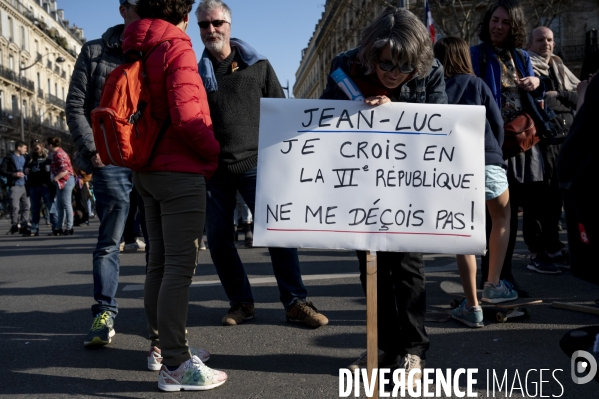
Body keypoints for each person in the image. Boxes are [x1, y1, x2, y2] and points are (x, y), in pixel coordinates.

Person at [320, 7, 447, 385]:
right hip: (361, 184)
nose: (394, 74)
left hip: (408, 184)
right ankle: (380, 345)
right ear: (371, 53)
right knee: (370, 266)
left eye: (404, 68)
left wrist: (399, 112)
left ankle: (412, 349)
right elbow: (324, 114)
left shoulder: (431, 70)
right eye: (386, 64)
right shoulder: (345, 66)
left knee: (407, 267)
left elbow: (441, 121)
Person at [196, 0, 328, 328]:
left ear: (229, 25)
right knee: (218, 239)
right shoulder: (194, 74)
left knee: (279, 233)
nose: (211, 30)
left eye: (216, 23)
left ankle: (295, 301)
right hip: (215, 170)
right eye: (203, 25)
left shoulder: (259, 65)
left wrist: (286, 162)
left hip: (258, 164)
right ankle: (241, 303)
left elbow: (280, 113)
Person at [125, 0, 226, 391]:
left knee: (158, 264)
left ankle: (163, 348)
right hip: (178, 170)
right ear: (183, 15)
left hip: (147, 167)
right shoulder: (176, 45)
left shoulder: (139, 44)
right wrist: (213, 150)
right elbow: (187, 115)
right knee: (179, 269)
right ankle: (177, 363)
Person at [470, 0, 559, 290]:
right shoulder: (476, 55)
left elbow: (538, 93)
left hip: (521, 144)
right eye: (494, 20)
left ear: (514, 26)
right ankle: (490, 280)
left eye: (505, 22)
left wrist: (536, 81)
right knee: (490, 217)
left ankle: (503, 278)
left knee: (510, 214)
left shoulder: (521, 56)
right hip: (490, 144)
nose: (497, 26)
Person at [66, 0, 138, 347]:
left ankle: (163, 326)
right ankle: (104, 312)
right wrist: (94, 150)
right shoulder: (95, 50)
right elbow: (76, 104)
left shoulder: (160, 48)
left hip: (151, 158)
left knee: (161, 241)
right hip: (109, 159)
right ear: (124, 9)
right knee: (110, 240)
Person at [434, 37, 517, 328]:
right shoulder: (477, 84)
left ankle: (473, 306)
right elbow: (496, 124)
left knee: (463, 234)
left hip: (454, 167)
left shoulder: (435, 89)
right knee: (502, 218)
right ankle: (493, 283)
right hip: (488, 159)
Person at [527, 26, 578, 265]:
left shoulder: (560, 67)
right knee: (540, 200)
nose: (545, 44)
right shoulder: (528, 68)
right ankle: (539, 251)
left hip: (565, 141)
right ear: (530, 44)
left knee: (557, 200)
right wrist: (560, 98)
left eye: (549, 40)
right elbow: (542, 102)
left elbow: (578, 97)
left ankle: (554, 246)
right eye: (540, 40)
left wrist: (562, 96)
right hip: (543, 142)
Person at [25, 139, 56, 235]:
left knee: (50, 207)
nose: (35, 147)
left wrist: (49, 183)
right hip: (34, 185)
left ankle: (55, 227)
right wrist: (25, 169)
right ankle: (34, 228)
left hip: (45, 185)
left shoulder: (47, 156)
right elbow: (26, 168)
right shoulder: (30, 157)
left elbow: (52, 169)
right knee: (35, 208)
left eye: (37, 145)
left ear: (41, 146)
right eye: (33, 145)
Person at [0, 141, 31, 235]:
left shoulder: (26, 157)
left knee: (26, 205)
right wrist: (14, 174)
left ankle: (24, 224)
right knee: (15, 206)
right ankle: (14, 225)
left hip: (25, 184)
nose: (26, 150)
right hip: (15, 185)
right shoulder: (9, 158)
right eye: (24, 148)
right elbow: (2, 170)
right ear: (19, 148)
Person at [46, 137, 75, 235]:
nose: (46, 147)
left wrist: (55, 178)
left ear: (50, 145)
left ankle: (69, 227)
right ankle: (59, 227)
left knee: (66, 204)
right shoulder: (55, 154)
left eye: (47, 145)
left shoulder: (60, 154)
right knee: (59, 205)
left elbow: (65, 170)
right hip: (61, 182)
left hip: (65, 180)